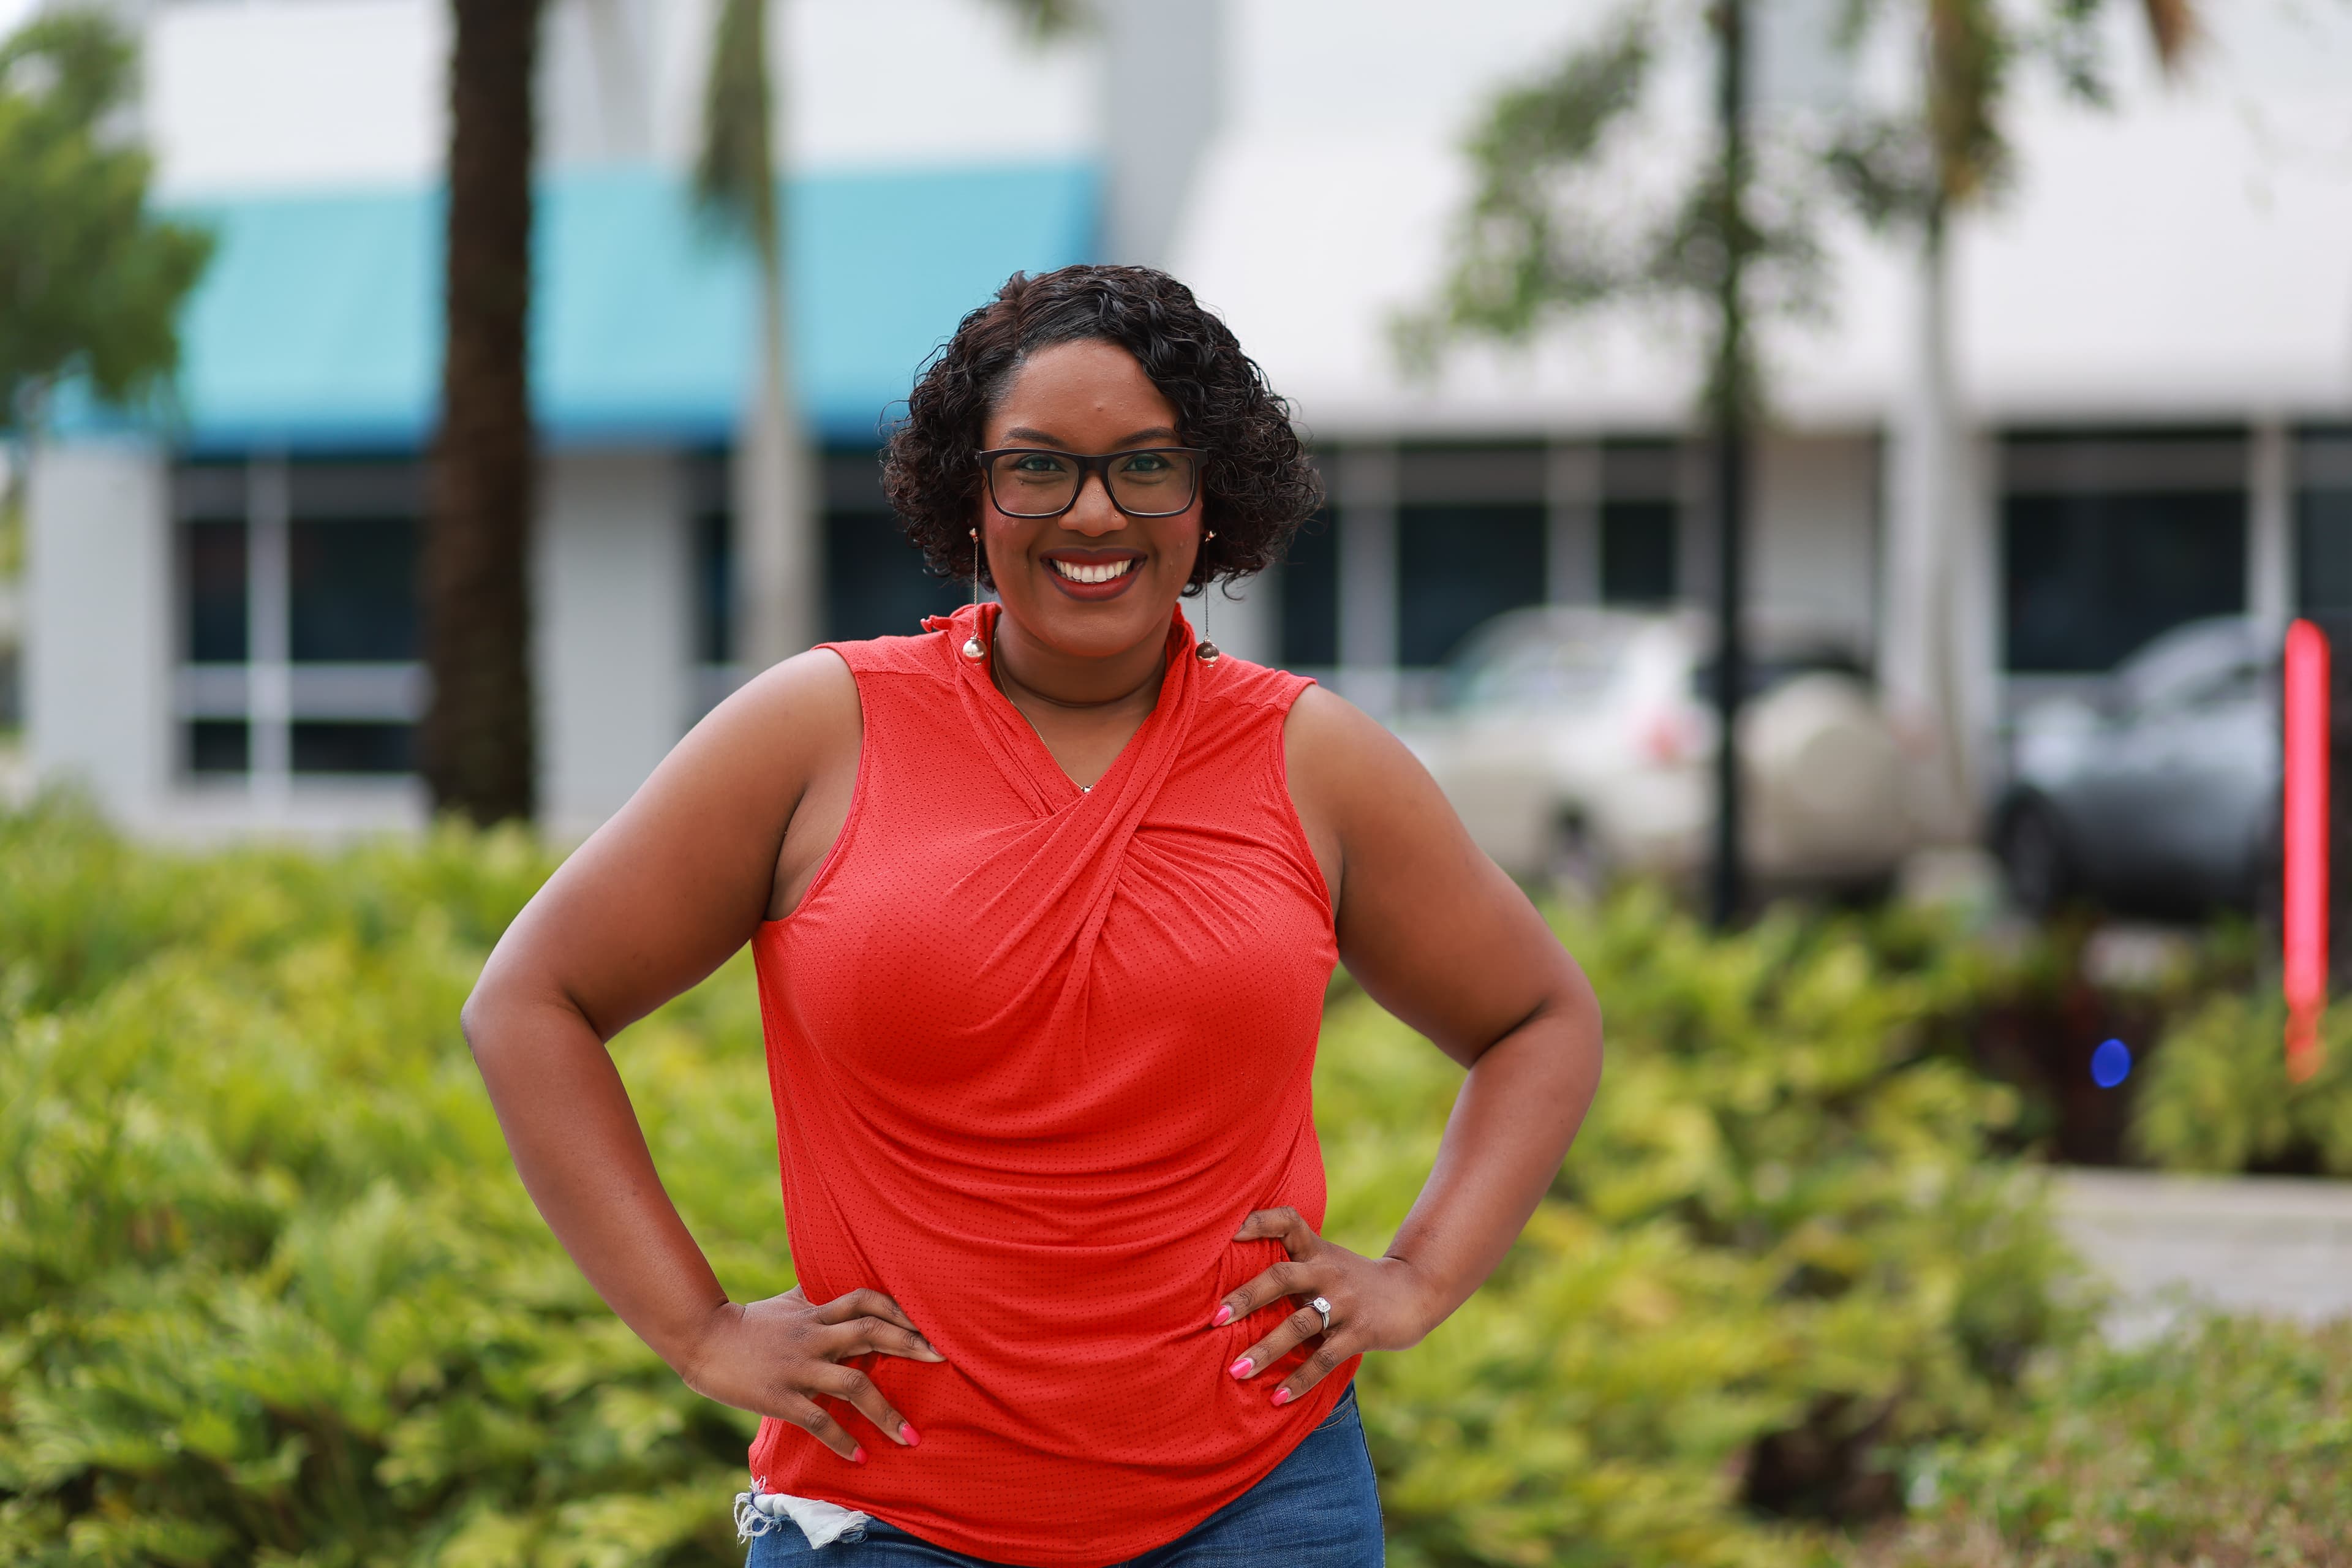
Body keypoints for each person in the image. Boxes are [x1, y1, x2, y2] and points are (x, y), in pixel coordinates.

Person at [463, 265, 1604, 1568]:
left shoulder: (1314, 760)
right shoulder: (817, 730)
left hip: (1259, 1507)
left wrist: (1418, 1275)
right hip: (892, 1516)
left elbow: (1540, 1015)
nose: (1093, 510)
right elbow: (529, 1001)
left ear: (1211, 492)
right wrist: (699, 1327)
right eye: (1039, 467)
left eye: (1146, 465)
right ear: (971, 489)